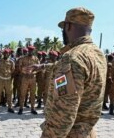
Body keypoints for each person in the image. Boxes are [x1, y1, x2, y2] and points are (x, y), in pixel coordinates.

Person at [29, 7, 107, 137]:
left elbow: (64, 113)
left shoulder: (72, 58)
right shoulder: (97, 54)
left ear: (69, 26)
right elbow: (66, 68)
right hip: (87, 132)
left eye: (63, 28)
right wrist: (42, 66)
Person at [18, 45, 39, 115]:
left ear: (33, 51)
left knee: (33, 94)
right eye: (29, 50)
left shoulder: (36, 59)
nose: (31, 51)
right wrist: (24, 71)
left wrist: (33, 72)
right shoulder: (23, 58)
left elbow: (38, 68)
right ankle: (21, 108)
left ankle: (32, 108)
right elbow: (20, 67)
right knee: (22, 94)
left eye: (32, 50)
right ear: (28, 51)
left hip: (33, 78)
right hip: (25, 78)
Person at [0, 49, 15, 114]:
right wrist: (2, 74)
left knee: (9, 94)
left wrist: (8, 74)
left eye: (7, 53)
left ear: (9, 54)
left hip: (8, 80)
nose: (6, 54)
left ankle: (10, 107)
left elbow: (13, 69)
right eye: (4, 53)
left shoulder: (11, 62)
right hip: (1, 79)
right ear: (3, 54)